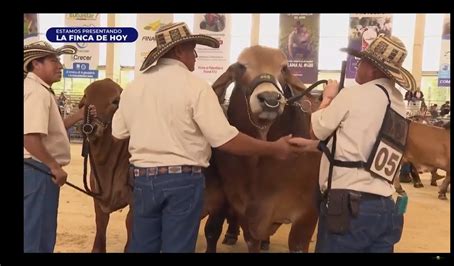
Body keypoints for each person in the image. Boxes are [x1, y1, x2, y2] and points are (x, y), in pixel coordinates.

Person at [112, 22, 301, 253]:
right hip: (181, 181)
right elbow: (225, 140)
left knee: (143, 246)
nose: (196, 55)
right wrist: (274, 149)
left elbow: (118, 131)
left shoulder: (134, 86)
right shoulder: (196, 87)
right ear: (178, 51)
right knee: (177, 246)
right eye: (192, 49)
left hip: (143, 180)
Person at [289, 35, 415, 252]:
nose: (358, 66)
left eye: (362, 62)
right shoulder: (398, 103)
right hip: (385, 206)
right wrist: (315, 147)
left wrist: (327, 99)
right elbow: (363, 146)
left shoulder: (352, 95)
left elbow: (315, 131)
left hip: (348, 207)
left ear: (374, 70)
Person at [23, 41, 96, 252]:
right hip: (37, 170)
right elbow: (29, 137)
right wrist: (54, 166)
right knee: (36, 235)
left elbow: (47, 131)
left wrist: (78, 116)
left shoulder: (36, 90)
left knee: (36, 229)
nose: (60, 66)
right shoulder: (36, 93)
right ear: (36, 64)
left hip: (34, 169)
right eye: (54, 61)